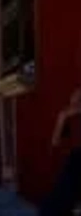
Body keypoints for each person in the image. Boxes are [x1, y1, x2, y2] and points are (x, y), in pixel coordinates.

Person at [41, 86, 81, 216]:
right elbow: (54, 144)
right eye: (73, 102)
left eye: (78, 101)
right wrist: (62, 117)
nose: (75, 105)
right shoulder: (70, 119)